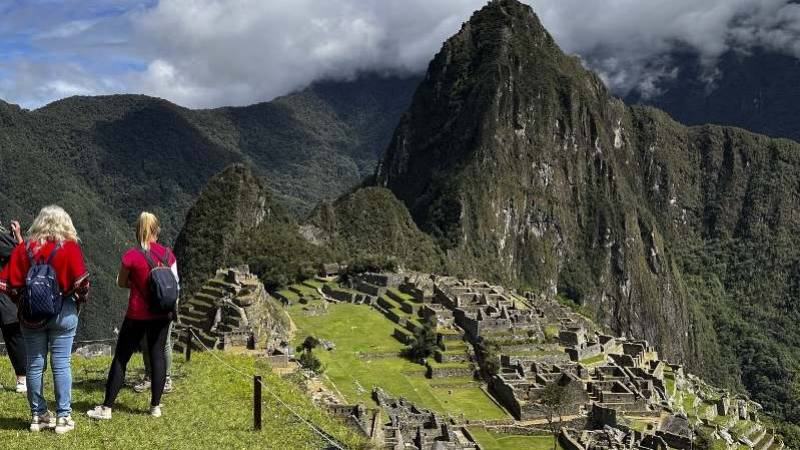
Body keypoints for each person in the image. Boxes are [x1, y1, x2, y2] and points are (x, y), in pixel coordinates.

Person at [0, 206, 89, 434]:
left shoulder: (23, 248)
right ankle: (62, 417)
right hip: (63, 312)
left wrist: (20, 300)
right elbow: (82, 284)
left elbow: (6, 284)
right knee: (61, 364)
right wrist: (78, 301)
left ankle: (38, 416)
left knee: (35, 364)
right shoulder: (70, 247)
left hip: (30, 317)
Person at [88, 212, 177, 420]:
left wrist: (136, 283)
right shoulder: (168, 255)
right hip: (163, 314)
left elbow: (121, 281)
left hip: (137, 314)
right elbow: (173, 284)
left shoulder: (131, 256)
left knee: (121, 358)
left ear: (138, 231)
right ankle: (155, 406)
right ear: (157, 231)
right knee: (158, 357)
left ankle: (107, 408)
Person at [0, 219, 27, 393]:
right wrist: (17, 236)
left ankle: (22, 379)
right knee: (14, 337)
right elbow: (25, 254)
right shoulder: (11, 245)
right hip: (8, 295)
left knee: (13, 336)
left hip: (5, 295)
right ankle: (22, 380)